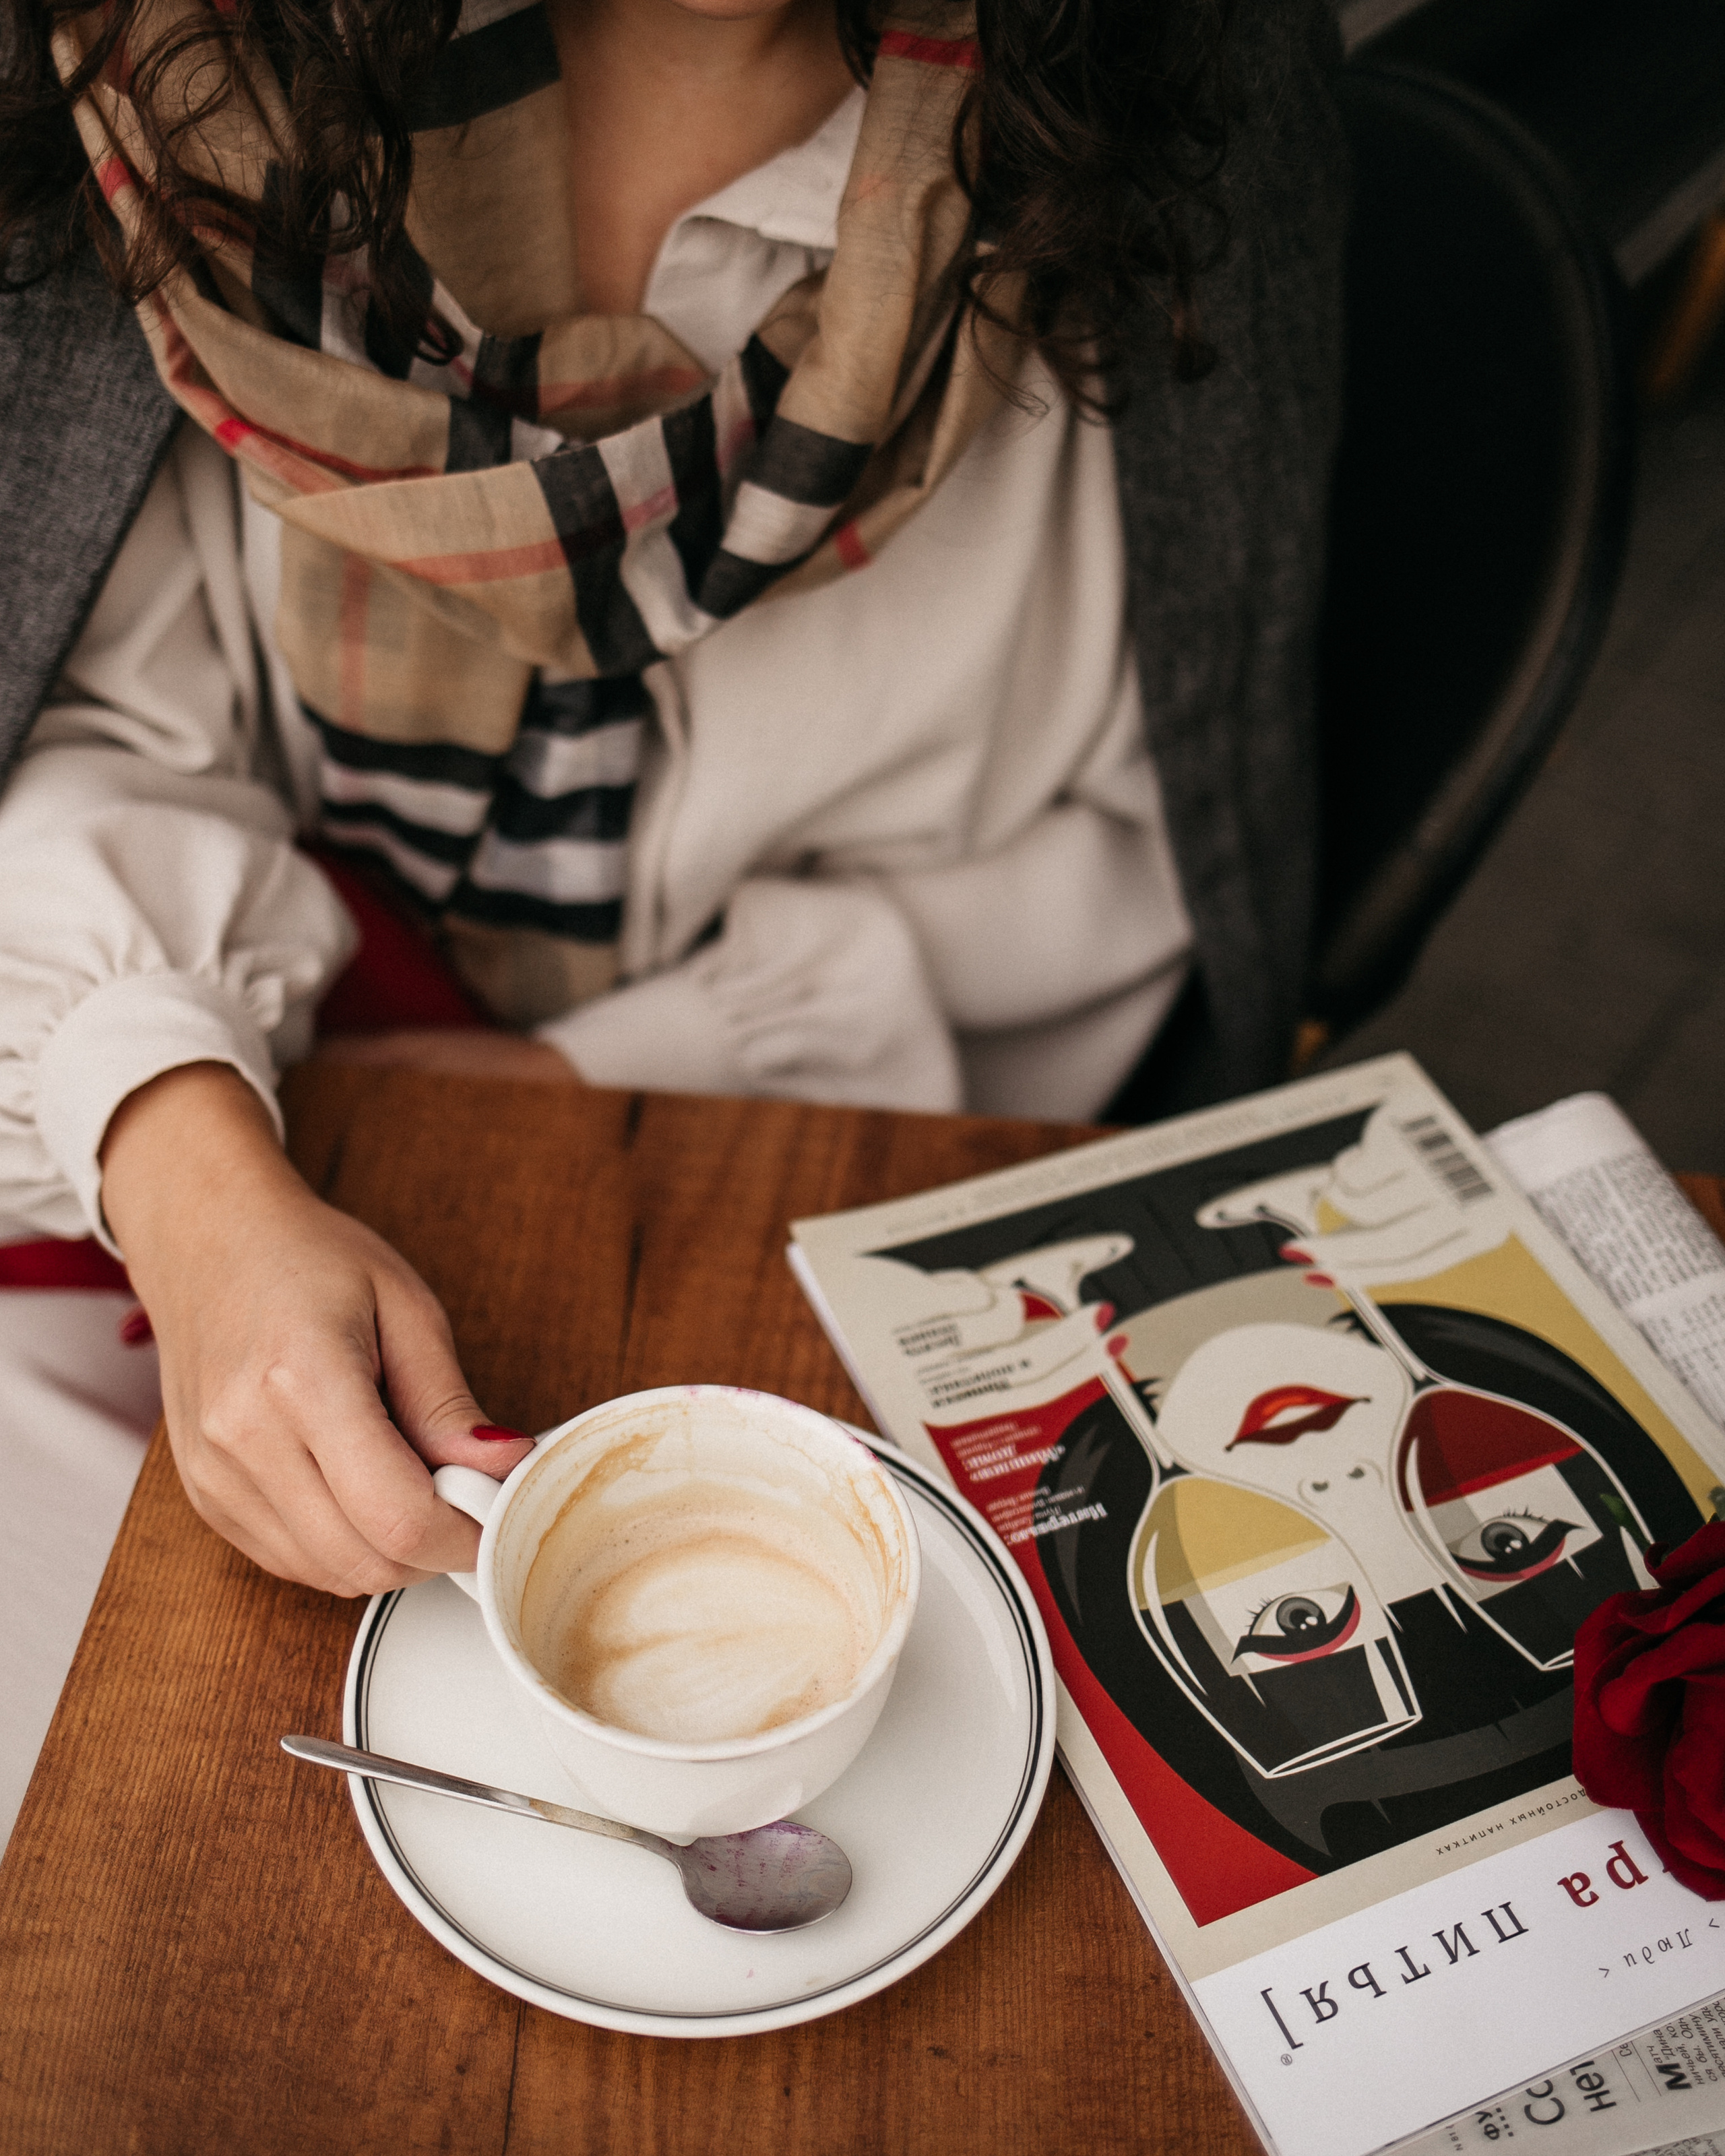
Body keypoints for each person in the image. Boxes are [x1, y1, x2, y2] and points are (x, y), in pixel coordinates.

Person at [0, 0, 1346, 1831]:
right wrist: (180, 1167)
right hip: (171, 1163)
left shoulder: (1167, 111)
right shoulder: (167, 82)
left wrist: (600, 1076)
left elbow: (1143, 846)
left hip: (832, 1176)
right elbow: (67, 733)